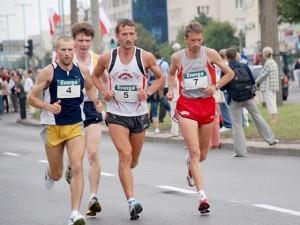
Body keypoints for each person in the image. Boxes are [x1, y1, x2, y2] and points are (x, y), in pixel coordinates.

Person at [91, 18, 164, 220]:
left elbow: (160, 78)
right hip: (116, 113)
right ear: (117, 36)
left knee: (133, 160)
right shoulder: (107, 58)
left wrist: (147, 92)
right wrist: (104, 90)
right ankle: (132, 201)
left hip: (139, 114)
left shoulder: (145, 57)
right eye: (124, 34)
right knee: (125, 154)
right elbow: (94, 77)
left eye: (132, 34)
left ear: (136, 36)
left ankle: (125, 173)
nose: (129, 38)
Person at [27, 36, 102, 225]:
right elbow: (31, 98)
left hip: (76, 124)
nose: (67, 53)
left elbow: (91, 87)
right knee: (58, 174)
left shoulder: (82, 70)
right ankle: (50, 172)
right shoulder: (48, 72)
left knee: (77, 166)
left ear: (74, 50)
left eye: (70, 50)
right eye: (63, 50)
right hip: (52, 126)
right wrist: (48, 106)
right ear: (57, 51)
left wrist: (96, 100)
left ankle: (75, 213)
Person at [167, 21, 234, 213]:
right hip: (187, 105)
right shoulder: (177, 57)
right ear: (186, 40)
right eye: (192, 40)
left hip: (207, 105)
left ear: (202, 38)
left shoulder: (210, 53)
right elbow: (171, 75)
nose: (196, 43)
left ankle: (190, 166)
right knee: (195, 152)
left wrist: (215, 86)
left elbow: (230, 73)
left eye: (199, 39)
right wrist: (171, 89)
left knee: (203, 154)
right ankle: (202, 196)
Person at [64, 22, 103, 217]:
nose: (84, 43)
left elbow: (102, 81)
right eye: (80, 40)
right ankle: (69, 166)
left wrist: (101, 98)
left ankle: (93, 197)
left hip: (90, 107)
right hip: (70, 109)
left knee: (93, 153)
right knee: (75, 159)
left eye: (87, 40)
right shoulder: (65, 59)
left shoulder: (97, 59)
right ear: (74, 41)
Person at [223, 47, 278, 157]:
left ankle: (240, 152)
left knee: (237, 125)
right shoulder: (244, 66)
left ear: (227, 57)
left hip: (234, 99)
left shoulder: (226, 68)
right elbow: (253, 81)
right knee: (258, 116)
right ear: (237, 56)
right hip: (248, 97)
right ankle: (270, 139)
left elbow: (222, 86)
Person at [256, 47, 279, 123]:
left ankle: (274, 119)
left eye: (263, 53)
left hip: (268, 86)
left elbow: (262, 75)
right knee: (272, 101)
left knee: (270, 102)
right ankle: (274, 118)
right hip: (273, 86)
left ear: (265, 54)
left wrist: (255, 82)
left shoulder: (268, 63)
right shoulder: (273, 62)